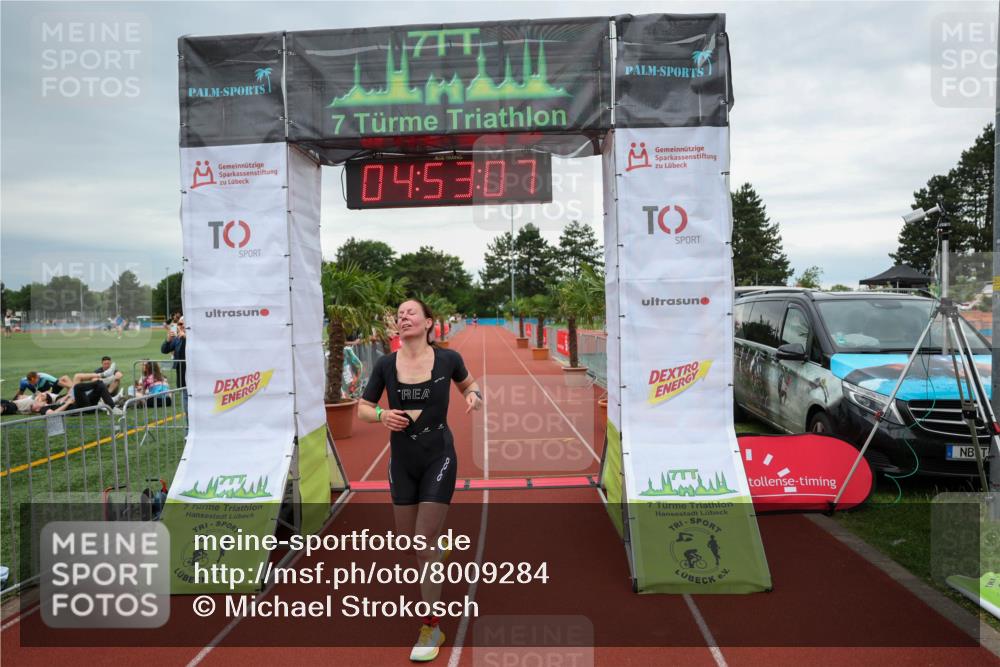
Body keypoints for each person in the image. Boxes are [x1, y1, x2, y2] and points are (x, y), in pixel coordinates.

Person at [358, 298, 482, 662]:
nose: (403, 317)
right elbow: (363, 407)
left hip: (438, 455)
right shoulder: (384, 364)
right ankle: (435, 546)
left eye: (411, 312)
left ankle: (432, 626)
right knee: (409, 539)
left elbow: (470, 385)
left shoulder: (448, 360)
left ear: (429, 322)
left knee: (424, 541)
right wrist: (381, 414)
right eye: (400, 314)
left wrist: (474, 396)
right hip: (402, 461)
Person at [161, 316, 187, 391]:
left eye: (182, 324)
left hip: (193, 372)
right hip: (181, 371)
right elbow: (164, 350)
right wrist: (168, 340)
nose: (181, 326)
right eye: (179, 324)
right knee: (183, 393)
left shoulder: (194, 337)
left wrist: (185, 336)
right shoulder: (177, 338)